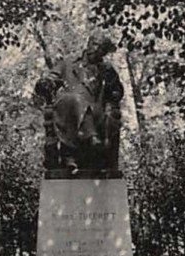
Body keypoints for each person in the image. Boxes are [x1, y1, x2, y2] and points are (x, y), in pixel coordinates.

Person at [35, 34, 123, 172]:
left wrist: (111, 81)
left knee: (86, 104)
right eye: (95, 44)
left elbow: (117, 92)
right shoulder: (68, 63)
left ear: (104, 53)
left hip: (96, 110)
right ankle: (91, 137)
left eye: (102, 48)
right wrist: (47, 83)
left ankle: (75, 152)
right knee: (75, 99)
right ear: (88, 44)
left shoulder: (106, 69)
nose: (96, 49)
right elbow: (52, 78)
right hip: (68, 107)